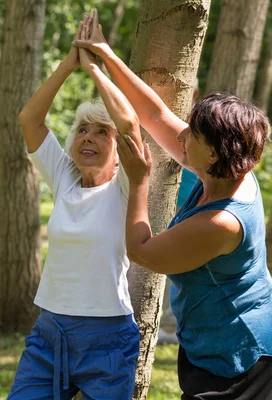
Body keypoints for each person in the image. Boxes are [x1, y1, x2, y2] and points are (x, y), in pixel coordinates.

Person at [75, 10, 272, 398]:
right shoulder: (227, 171)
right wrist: (105, 55)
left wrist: (139, 180)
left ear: (215, 152)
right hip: (213, 344)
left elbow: (143, 252)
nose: (181, 138)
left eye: (192, 135)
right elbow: (155, 114)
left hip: (241, 359)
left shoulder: (222, 222)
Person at [8, 14, 141, 400]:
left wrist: (97, 69)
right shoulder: (63, 177)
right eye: (83, 129)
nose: (89, 137)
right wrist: (69, 65)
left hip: (108, 338)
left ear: (118, 153)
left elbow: (131, 127)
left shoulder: (124, 185)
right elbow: (29, 120)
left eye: (102, 132)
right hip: (50, 331)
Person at [158, 80, 200, 345]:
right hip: (166, 203)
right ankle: (168, 323)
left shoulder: (200, 126)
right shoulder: (164, 122)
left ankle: (173, 325)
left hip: (190, 205)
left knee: (179, 264)